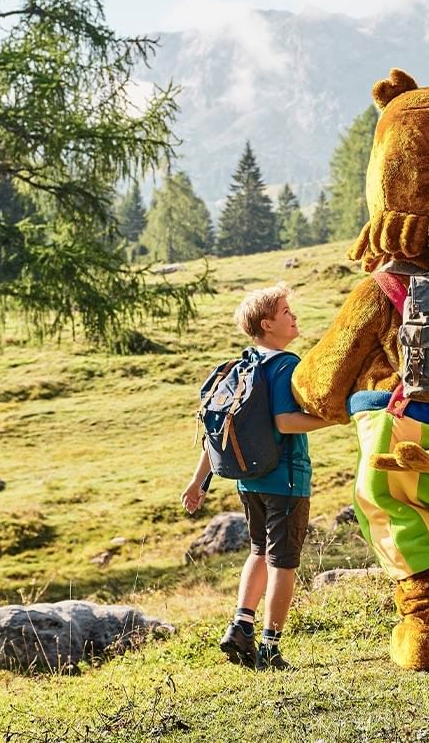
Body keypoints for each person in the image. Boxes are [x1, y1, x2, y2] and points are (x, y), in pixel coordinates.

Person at [181, 282, 326, 669]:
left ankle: (240, 626)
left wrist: (199, 482)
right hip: (287, 480)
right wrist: (331, 419)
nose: (293, 316)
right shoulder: (284, 365)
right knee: (284, 563)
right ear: (268, 324)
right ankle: (270, 646)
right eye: (285, 312)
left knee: (259, 552)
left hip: (249, 481)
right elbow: (285, 421)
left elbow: (220, 432)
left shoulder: (243, 364)